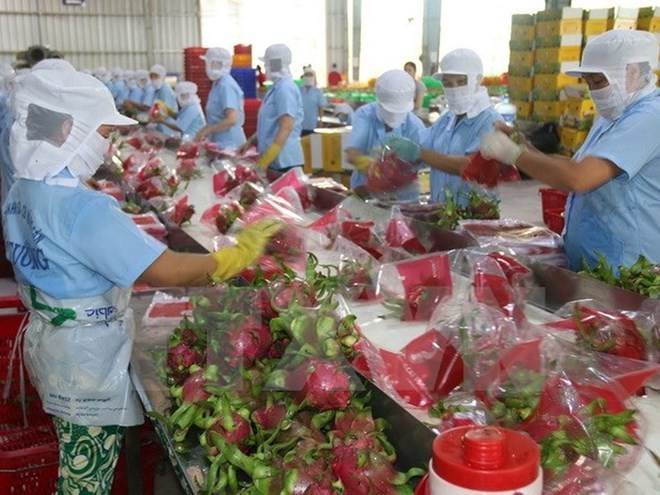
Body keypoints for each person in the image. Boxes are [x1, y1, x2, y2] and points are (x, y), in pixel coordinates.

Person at [3, 67, 281, 494]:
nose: (107, 143)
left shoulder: (23, 190)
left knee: (77, 463)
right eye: (103, 132)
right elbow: (162, 269)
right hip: (86, 362)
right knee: (85, 480)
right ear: (67, 129)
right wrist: (229, 259)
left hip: (54, 344)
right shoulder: (80, 208)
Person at [479, 30, 660, 272]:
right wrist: (523, 146)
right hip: (596, 260)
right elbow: (574, 166)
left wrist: (514, 154)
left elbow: (578, 178)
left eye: (598, 81)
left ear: (634, 72)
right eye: (588, 82)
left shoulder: (650, 117)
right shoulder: (613, 117)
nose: (594, 91)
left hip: (627, 267)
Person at [388, 49, 503, 207]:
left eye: (461, 82)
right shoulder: (447, 118)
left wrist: (419, 153)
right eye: (448, 84)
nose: (454, 89)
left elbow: (471, 167)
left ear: (477, 80)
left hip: (473, 216)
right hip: (440, 212)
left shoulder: (491, 121)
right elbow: (422, 148)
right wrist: (393, 156)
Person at [345, 69, 425, 200]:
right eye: (389, 110)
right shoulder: (365, 115)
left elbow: (422, 165)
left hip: (403, 198)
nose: (394, 115)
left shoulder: (415, 126)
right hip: (365, 192)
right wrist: (371, 167)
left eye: (399, 111)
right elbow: (352, 152)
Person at [239, 43, 304, 176]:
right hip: (274, 160)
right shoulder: (275, 88)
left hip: (285, 162)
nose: (265, 67)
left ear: (274, 63)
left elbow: (286, 126)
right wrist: (250, 142)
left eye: (267, 64)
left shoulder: (285, 88)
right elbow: (268, 125)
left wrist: (265, 161)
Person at [194, 47, 246, 150]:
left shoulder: (226, 85)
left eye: (209, 63)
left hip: (230, 144)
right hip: (219, 142)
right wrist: (201, 132)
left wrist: (207, 131)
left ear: (217, 64)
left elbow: (231, 119)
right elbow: (215, 119)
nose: (206, 67)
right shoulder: (217, 83)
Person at [299, 66, 328, 136]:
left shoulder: (317, 91)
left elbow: (321, 107)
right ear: (303, 77)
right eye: (306, 75)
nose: (308, 77)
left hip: (312, 123)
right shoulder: (298, 90)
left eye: (310, 75)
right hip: (300, 123)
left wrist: (320, 120)